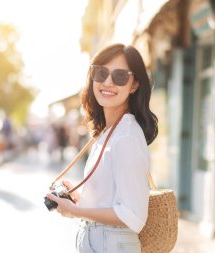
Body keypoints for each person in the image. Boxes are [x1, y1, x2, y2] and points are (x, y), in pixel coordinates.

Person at [46, 43, 158, 253]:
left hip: (112, 244)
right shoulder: (109, 132)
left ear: (134, 85)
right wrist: (80, 199)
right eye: (101, 73)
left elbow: (132, 216)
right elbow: (113, 199)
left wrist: (77, 212)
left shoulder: (126, 136)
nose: (108, 82)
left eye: (120, 76)